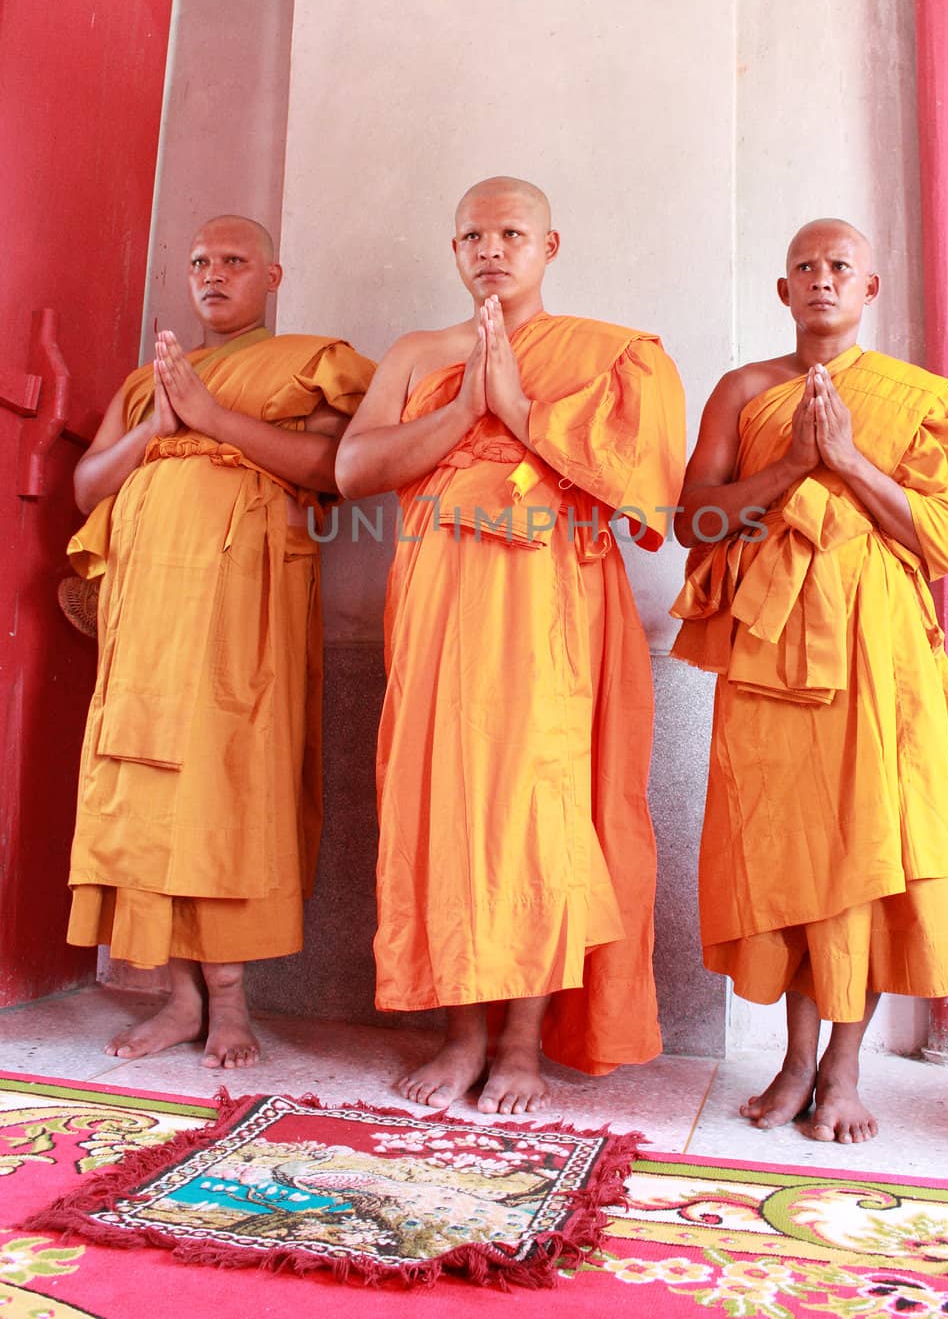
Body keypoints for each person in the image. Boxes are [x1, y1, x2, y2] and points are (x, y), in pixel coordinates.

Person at [336, 177, 685, 1114]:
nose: (491, 249)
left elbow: (642, 494)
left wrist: (520, 408)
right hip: (440, 608)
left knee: (539, 810)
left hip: (552, 611)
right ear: (453, 251)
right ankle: (459, 1037)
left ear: (550, 245)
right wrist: (462, 411)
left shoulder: (611, 356)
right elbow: (354, 468)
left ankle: (523, 1046)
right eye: (472, 236)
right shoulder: (417, 353)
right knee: (442, 807)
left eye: (512, 233)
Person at [672, 218, 948, 1144]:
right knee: (784, 852)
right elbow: (694, 521)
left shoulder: (918, 398)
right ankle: (792, 1062)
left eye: (838, 266)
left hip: (876, 660)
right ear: (781, 290)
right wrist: (796, 465)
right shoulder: (743, 391)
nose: (820, 279)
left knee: (865, 851)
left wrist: (847, 459)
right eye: (803, 267)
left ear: (868, 289)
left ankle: (843, 1069)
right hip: (768, 656)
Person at [66, 215, 375, 1069]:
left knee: (226, 784)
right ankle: (176, 999)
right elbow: (86, 488)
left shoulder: (312, 363)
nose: (213, 274)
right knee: (145, 787)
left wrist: (211, 417)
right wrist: (156, 427)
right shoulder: (146, 383)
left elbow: (333, 473)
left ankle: (232, 1006)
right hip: (147, 618)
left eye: (234, 261)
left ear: (272, 277)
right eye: (200, 261)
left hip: (243, 613)